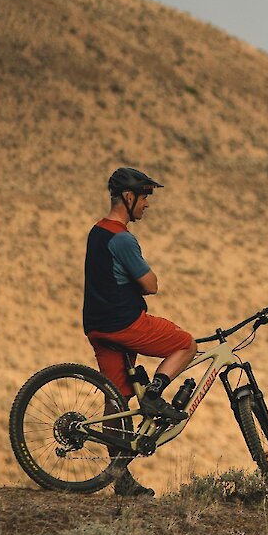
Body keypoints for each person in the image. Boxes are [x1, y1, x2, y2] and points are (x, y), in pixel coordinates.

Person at [82, 166, 198, 498]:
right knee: (186, 344)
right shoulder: (122, 239)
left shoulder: (96, 232)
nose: (147, 204)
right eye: (145, 196)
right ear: (129, 197)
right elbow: (151, 285)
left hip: (98, 326)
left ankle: (121, 479)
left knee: (116, 400)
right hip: (126, 323)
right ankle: (154, 395)